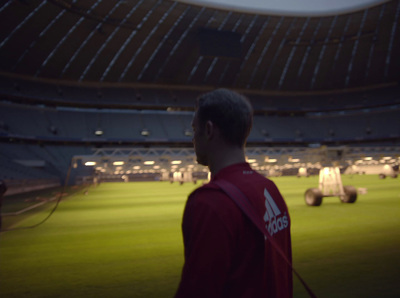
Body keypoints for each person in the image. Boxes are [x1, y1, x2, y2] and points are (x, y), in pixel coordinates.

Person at [175, 89, 293, 297]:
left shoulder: (209, 202)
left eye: (195, 129)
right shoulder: (270, 189)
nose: (193, 138)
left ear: (209, 130)